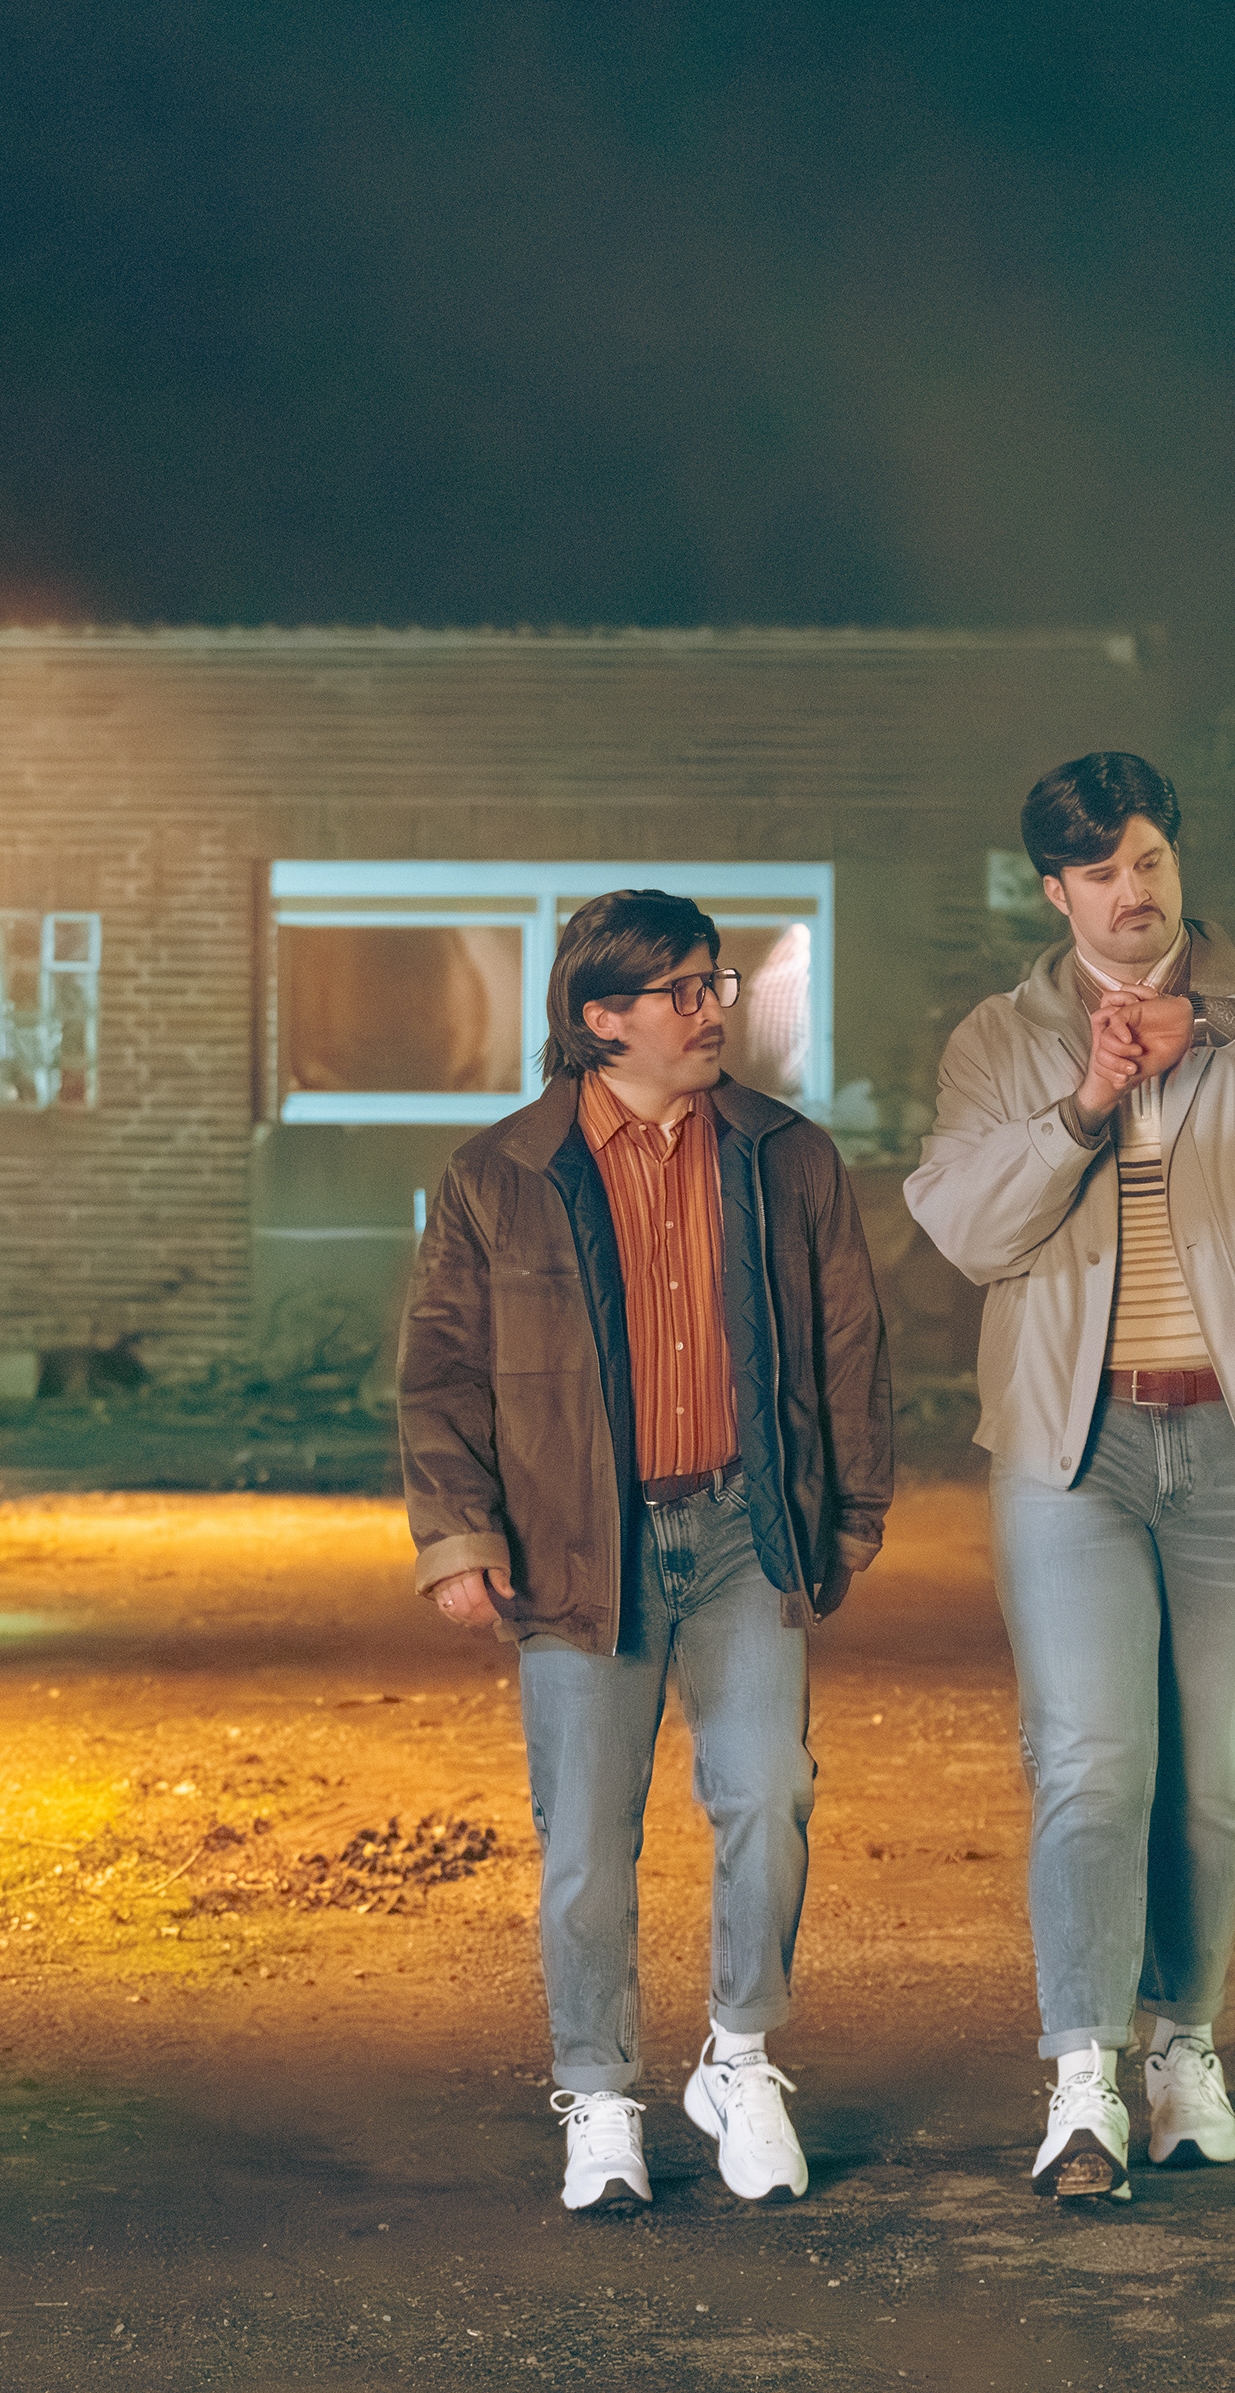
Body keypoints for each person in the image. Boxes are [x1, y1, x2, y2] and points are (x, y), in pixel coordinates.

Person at [904, 752, 1235, 2202]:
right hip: (1074, 1454)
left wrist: (1221, 1020)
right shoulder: (1000, 1040)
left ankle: (1182, 2044)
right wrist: (1084, 1103)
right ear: (1054, 892)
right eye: (1101, 873)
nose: (1131, 893)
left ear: (1176, 864)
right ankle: (1083, 2075)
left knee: (1218, 1778)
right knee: (1093, 1760)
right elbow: (965, 1228)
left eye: (1151, 861)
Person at [399, 890, 892, 2213]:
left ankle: (740, 2058)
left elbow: (850, 1344)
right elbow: (441, 1375)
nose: (712, 1008)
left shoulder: (786, 1159)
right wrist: (459, 1536)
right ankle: (601, 2094)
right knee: (585, 1842)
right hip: (578, 1545)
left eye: (715, 982)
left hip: (743, 1531)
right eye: (681, 990)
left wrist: (850, 1513)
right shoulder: (497, 1177)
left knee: (769, 1792)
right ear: (600, 1017)